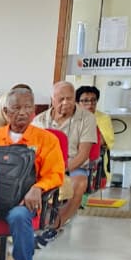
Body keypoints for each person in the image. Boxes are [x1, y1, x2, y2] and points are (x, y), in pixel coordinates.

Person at [0, 87, 66, 260]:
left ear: (34, 110)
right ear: (6, 112)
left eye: (28, 107)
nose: (22, 112)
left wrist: (38, 188)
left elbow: (56, 174)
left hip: (24, 201)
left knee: (18, 217)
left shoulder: (46, 139)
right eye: (16, 108)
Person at [33, 81, 98, 243]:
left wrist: (61, 170)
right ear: (52, 99)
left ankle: (55, 226)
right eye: (61, 99)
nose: (65, 103)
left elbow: (83, 154)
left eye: (69, 98)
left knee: (79, 183)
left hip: (73, 165)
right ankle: (33, 224)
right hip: (45, 166)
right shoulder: (39, 120)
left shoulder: (87, 118)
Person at [76, 85, 114, 150]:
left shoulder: (104, 118)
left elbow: (106, 141)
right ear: (77, 103)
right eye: (85, 100)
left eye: (93, 100)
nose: (90, 103)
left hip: (98, 154)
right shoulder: (72, 117)